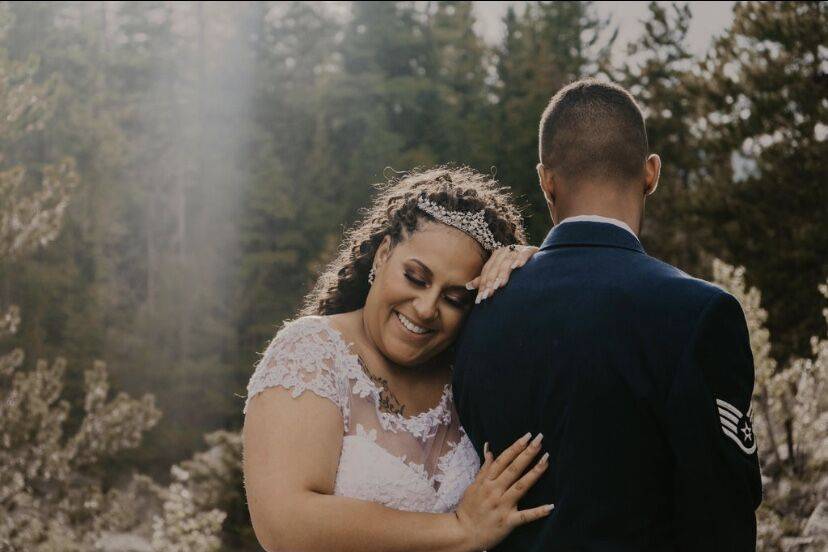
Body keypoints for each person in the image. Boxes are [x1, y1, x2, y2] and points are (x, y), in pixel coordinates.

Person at [453, 79, 763, 551]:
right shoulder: (699, 313)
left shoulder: (476, 306)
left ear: (546, 180)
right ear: (651, 173)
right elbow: (724, 512)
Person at [242, 167, 549, 552]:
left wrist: (533, 276)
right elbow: (286, 525)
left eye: (455, 299)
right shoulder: (311, 353)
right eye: (416, 278)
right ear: (383, 254)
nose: (425, 309)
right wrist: (460, 530)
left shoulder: (471, 375)